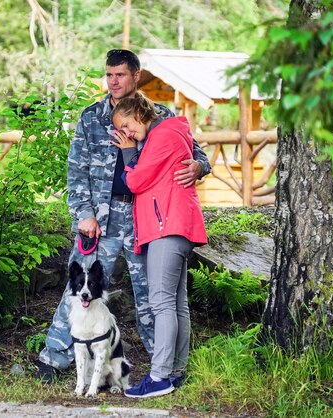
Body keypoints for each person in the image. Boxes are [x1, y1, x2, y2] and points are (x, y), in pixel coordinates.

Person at [35, 49, 211, 382]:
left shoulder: (159, 116)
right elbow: (77, 171)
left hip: (147, 217)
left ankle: (167, 368)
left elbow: (197, 153)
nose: (113, 81)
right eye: (109, 74)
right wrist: (84, 214)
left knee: (152, 294)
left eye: (120, 74)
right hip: (100, 220)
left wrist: (198, 167)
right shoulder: (92, 117)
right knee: (80, 286)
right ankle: (53, 360)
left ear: (135, 75)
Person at [111, 93, 207, 398]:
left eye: (125, 124)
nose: (126, 132)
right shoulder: (169, 132)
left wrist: (128, 153)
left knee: (162, 302)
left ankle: (160, 376)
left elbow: (136, 182)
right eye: (121, 129)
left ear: (140, 112)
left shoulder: (162, 136)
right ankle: (177, 372)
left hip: (167, 224)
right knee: (177, 302)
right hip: (174, 223)